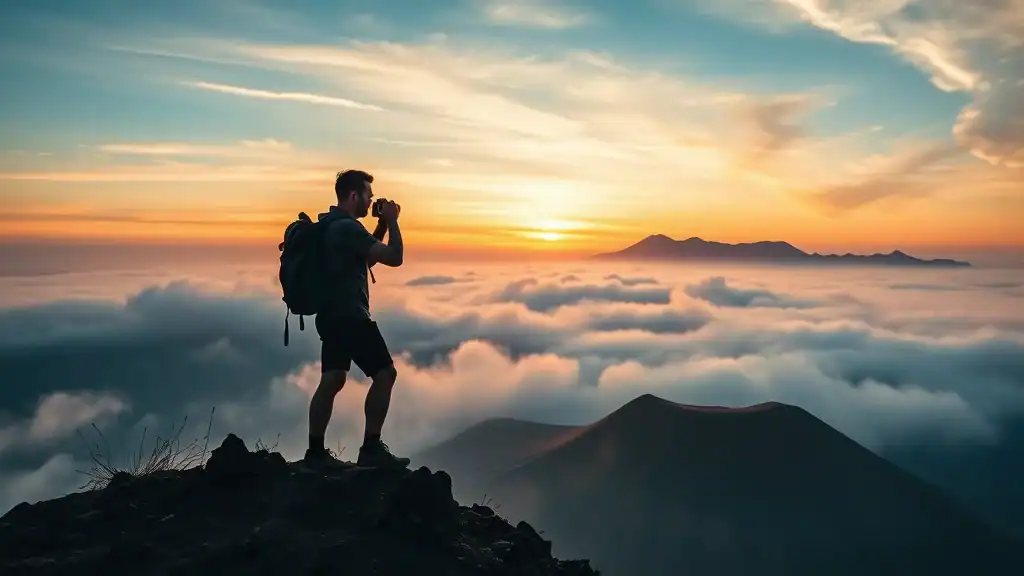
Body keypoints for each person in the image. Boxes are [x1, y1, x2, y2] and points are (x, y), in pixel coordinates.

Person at [303, 169, 410, 469]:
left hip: (330, 316)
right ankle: (371, 449)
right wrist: (393, 221)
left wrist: (379, 225)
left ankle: (315, 453)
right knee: (385, 374)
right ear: (354, 196)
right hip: (350, 315)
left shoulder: (330, 225)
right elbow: (394, 257)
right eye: (368, 196)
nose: (371, 201)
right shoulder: (347, 229)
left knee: (333, 378)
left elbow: (367, 255)